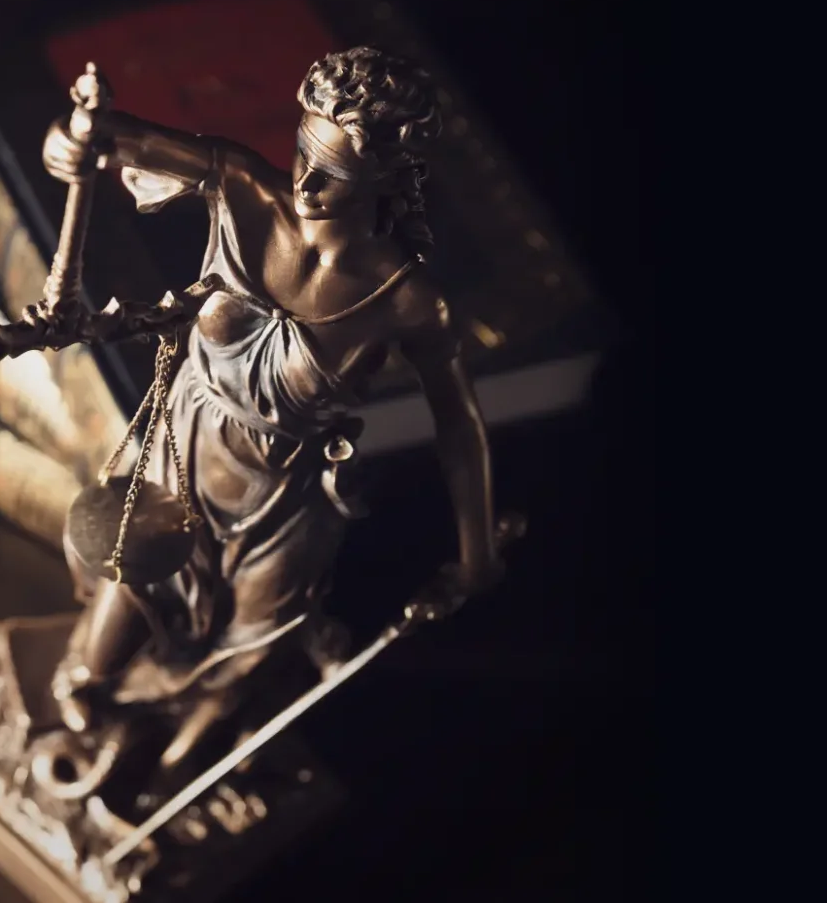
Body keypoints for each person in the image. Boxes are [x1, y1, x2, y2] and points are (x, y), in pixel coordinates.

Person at [34, 46, 502, 758]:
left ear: (385, 173)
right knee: (126, 591)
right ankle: (90, 687)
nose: (308, 181)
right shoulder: (242, 188)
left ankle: (180, 759)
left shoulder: (409, 303)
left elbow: (460, 427)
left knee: (251, 646)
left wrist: (476, 558)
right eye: (303, 153)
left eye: (336, 171)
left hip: (286, 498)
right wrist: (73, 141)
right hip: (185, 452)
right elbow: (110, 139)